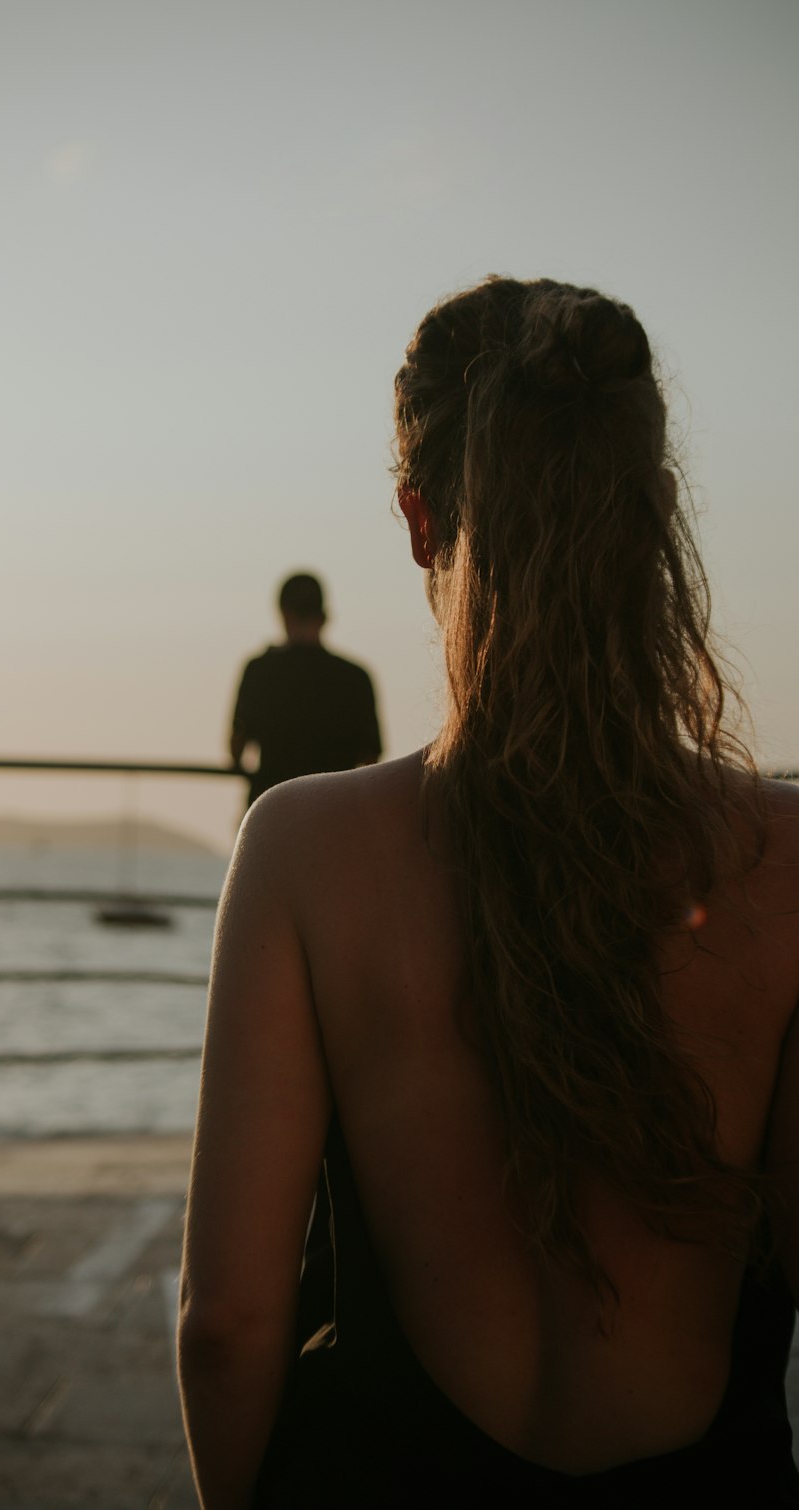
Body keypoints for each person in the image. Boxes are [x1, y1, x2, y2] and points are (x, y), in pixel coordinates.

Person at [178, 277, 799, 1507]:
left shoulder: (301, 850)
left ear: (420, 518)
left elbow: (229, 1321)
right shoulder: (784, 855)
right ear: (656, 510)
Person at [229, 572, 382, 806]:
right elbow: (371, 760)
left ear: (283, 614)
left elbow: (236, 747)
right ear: (324, 617)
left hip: (272, 813)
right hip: (336, 814)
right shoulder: (355, 678)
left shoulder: (259, 671)